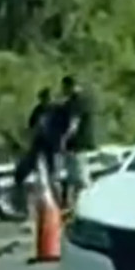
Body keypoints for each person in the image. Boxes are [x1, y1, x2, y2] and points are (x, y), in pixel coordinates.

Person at [55, 75, 97, 210]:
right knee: (73, 176)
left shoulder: (77, 101)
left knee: (80, 176)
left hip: (77, 143)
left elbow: (74, 123)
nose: (63, 90)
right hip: (77, 143)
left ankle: (91, 202)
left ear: (69, 86)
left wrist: (64, 138)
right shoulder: (80, 100)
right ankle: (77, 205)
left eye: (64, 87)